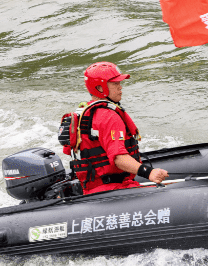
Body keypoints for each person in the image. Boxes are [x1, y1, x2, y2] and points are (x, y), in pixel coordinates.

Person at [61, 62, 168, 194]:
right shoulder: (109, 116)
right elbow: (118, 158)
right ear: (100, 88)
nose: (120, 88)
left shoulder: (85, 112)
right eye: (115, 84)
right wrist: (149, 172)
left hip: (92, 190)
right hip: (114, 189)